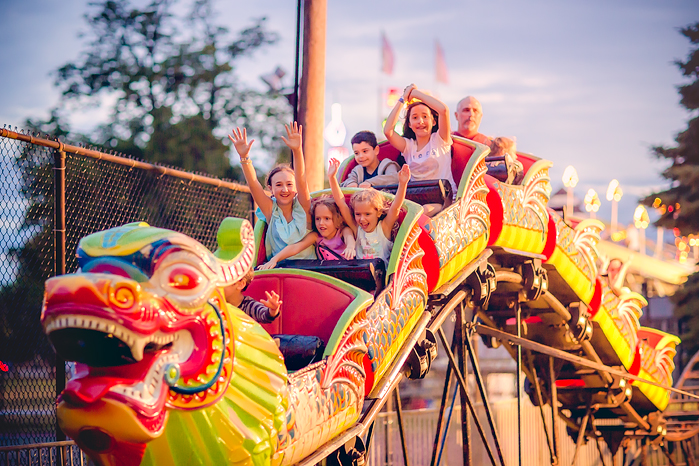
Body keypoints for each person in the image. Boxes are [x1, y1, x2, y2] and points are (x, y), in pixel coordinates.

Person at [229, 123, 315, 262]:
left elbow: (301, 179)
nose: (285, 189)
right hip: (279, 270)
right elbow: (253, 183)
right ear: (271, 188)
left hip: (308, 270)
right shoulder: (270, 210)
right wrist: (244, 157)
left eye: (289, 184)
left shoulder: (303, 206)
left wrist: (297, 150)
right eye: (279, 185)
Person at [384, 84, 455, 216]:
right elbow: (388, 131)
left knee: (421, 212)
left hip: (443, 201)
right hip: (417, 200)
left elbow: (444, 110)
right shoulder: (408, 146)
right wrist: (403, 99)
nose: (420, 121)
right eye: (415, 117)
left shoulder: (440, 140)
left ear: (434, 121)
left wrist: (416, 94)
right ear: (409, 124)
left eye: (425, 116)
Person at [329, 157, 410, 264]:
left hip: (380, 277)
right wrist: (332, 178)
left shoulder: (384, 228)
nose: (362, 219)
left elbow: (396, 207)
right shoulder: (357, 229)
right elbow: (341, 204)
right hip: (361, 275)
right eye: (358, 214)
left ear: (378, 212)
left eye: (367, 214)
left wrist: (403, 184)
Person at [257, 196, 357, 269]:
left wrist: (350, 247)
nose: (321, 223)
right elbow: (296, 247)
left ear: (337, 219)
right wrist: (274, 260)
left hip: (347, 271)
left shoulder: (343, 231)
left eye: (327, 219)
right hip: (329, 275)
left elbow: (350, 239)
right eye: (318, 219)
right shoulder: (316, 237)